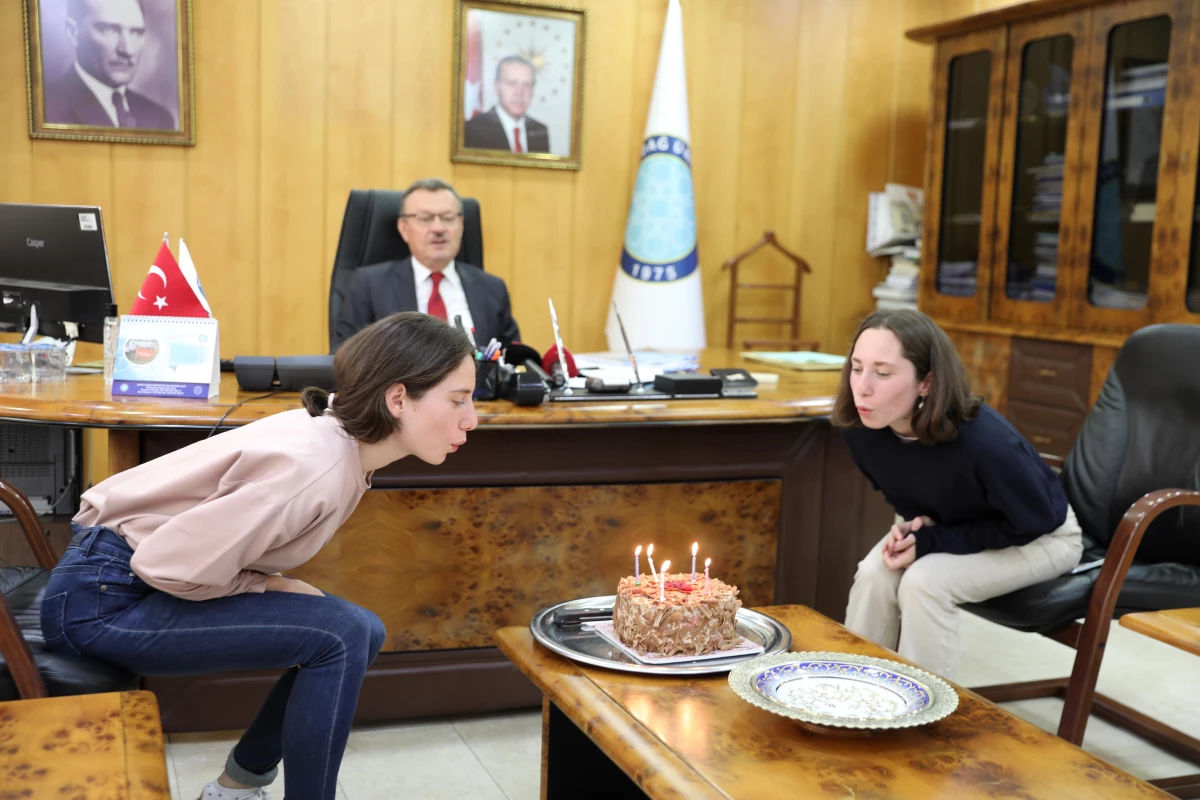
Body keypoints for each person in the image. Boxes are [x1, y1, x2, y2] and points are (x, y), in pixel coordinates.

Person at [40, 312, 477, 800]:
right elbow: (162, 564)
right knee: (343, 633)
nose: (471, 418)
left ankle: (235, 788)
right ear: (398, 399)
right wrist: (267, 583)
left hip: (113, 580)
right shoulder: (313, 468)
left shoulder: (334, 440)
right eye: (458, 400)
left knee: (359, 630)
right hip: (102, 603)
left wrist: (270, 582)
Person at [833, 309, 1083, 680]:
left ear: (926, 383)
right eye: (856, 368)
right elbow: (905, 491)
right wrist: (916, 524)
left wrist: (935, 539)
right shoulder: (863, 429)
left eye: (882, 373)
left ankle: (922, 716)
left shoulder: (988, 445)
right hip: (955, 524)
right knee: (874, 573)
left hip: (1043, 536)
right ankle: (852, 690)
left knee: (925, 582)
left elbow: (1034, 522)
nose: (863, 387)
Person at [332, 178, 521, 351]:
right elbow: (345, 358)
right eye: (425, 218)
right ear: (404, 228)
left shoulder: (492, 288)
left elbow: (515, 362)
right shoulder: (369, 284)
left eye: (448, 218)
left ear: (461, 225)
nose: (438, 228)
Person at [43, 0, 177, 130]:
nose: (127, 50)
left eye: (136, 32)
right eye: (109, 30)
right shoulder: (46, 109)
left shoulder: (160, 118)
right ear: (73, 32)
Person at [463, 56, 550, 153]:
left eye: (527, 85)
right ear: (496, 86)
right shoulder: (473, 130)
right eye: (512, 83)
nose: (519, 92)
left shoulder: (540, 131)